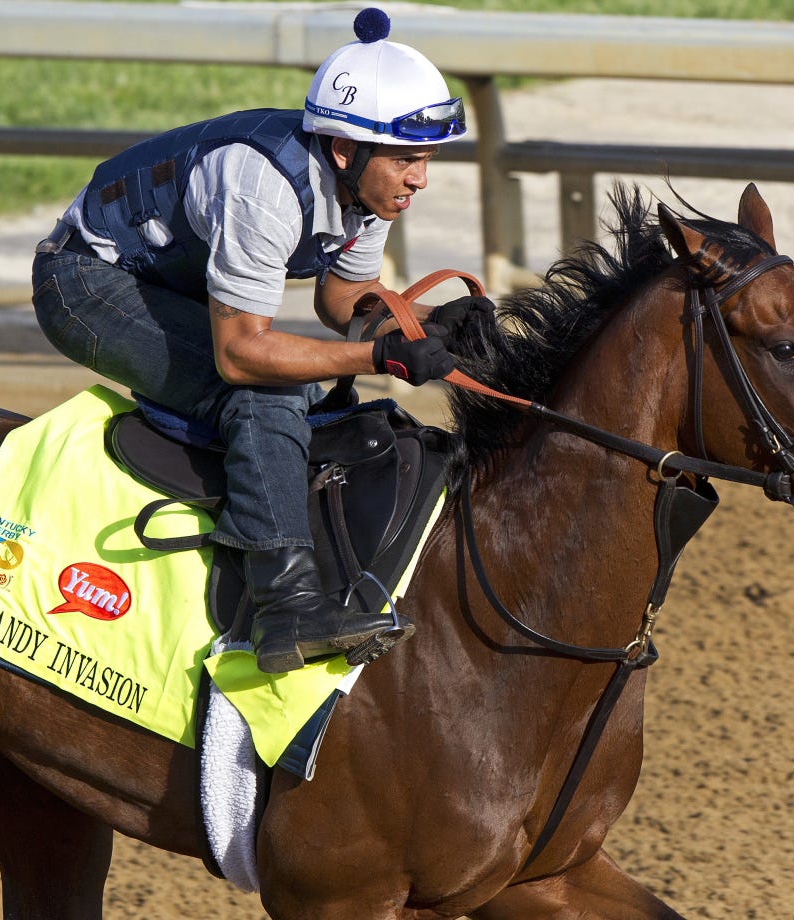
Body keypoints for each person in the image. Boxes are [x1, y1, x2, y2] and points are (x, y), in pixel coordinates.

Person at [31, 8, 488, 674]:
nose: (421, 178)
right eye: (407, 159)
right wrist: (379, 356)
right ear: (345, 150)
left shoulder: (368, 187)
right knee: (267, 392)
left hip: (169, 286)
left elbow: (343, 300)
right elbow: (241, 354)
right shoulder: (262, 188)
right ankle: (285, 607)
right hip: (83, 284)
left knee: (300, 389)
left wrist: (425, 323)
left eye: (427, 159)